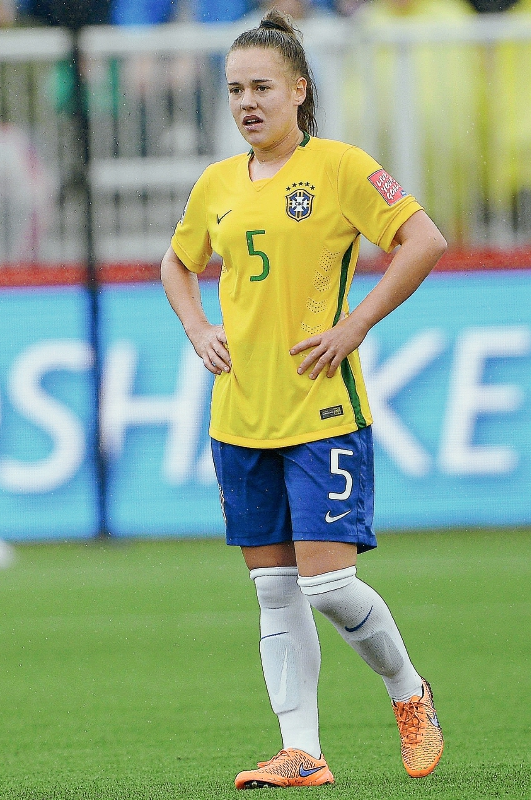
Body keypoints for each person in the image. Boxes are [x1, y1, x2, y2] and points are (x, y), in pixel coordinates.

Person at [160, 11, 446, 789]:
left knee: (326, 585)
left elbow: (423, 241)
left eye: (261, 88)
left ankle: (409, 692)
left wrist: (353, 325)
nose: (246, 103)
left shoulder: (342, 168)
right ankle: (302, 750)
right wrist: (197, 327)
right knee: (275, 592)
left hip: (320, 413)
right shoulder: (216, 183)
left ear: (299, 91)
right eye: (234, 91)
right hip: (240, 416)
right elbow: (176, 263)